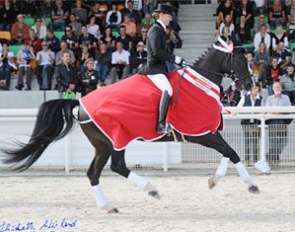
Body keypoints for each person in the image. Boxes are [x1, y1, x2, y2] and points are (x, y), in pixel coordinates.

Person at [138, 4, 186, 134]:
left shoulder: (161, 30)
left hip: (160, 67)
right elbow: (157, 52)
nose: (171, 19)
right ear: (161, 15)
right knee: (168, 90)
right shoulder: (155, 30)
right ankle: (160, 124)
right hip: (154, 68)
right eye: (169, 16)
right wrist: (175, 58)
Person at [265, 81, 292, 164]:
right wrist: (280, 111)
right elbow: (268, 111)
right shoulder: (269, 98)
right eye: (275, 87)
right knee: (273, 142)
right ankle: (274, 158)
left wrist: (276, 112)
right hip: (272, 122)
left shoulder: (286, 97)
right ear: (273, 89)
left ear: (281, 88)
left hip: (282, 122)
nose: (277, 89)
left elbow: (289, 109)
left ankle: (270, 155)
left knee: (284, 141)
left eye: (278, 87)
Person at [237, 82, 263, 165]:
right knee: (247, 141)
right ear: (251, 89)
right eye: (255, 88)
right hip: (246, 122)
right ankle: (247, 160)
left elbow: (263, 110)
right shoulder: (245, 97)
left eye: (258, 88)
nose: (257, 89)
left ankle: (256, 160)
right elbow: (238, 108)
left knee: (256, 141)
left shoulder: (261, 99)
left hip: (256, 122)